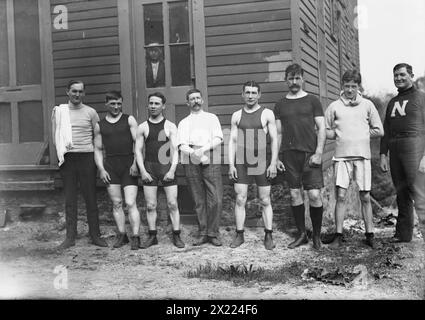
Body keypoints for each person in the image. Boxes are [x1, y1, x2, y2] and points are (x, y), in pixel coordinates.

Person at [325, 70, 384, 249]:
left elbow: (379, 130)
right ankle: (338, 235)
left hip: (362, 157)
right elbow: (325, 130)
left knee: (365, 196)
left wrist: (361, 134)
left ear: (358, 87)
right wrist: (339, 134)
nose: (350, 90)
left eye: (353, 86)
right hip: (341, 157)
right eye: (347, 86)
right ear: (342, 85)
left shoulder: (367, 105)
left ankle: (370, 235)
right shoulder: (334, 106)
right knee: (340, 196)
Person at [274, 64, 326, 250]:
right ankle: (302, 234)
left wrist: (319, 152)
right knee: (295, 193)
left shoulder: (313, 101)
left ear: (303, 79)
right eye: (291, 78)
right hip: (289, 155)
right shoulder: (280, 104)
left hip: (310, 154)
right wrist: (277, 158)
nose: (294, 82)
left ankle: (317, 236)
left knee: (313, 194)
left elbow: (322, 128)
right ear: (286, 80)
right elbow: (278, 133)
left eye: (297, 78)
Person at [51, 80, 108, 249]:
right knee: (70, 198)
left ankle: (95, 235)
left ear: (84, 93)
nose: (77, 94)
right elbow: (55, 135)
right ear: (67, 92)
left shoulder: (91, 112)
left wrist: (99, 160)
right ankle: (70, 237)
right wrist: (61, 154)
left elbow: (97, 137)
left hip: (87, 157)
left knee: (90, 197)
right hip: (68, 158)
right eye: (74, 91)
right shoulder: (59, 111)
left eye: (80, 91)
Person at [228, 81, 278, 250]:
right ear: (242, 94)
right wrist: (231, 165)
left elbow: (274, 140)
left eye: (253, 93)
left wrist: (273, 163)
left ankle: (268, 234)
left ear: (259, 95)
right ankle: (239, 234)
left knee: (265, 199)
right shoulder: (236, 115)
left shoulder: (267, 114)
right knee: (240, 198)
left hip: (261, 159)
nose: (250, 96)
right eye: (247, 92)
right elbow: (232, 142)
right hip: (242, 159)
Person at [380, 63, 425, 243]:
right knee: (402, 192)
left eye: (402, 75)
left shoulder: (421, 98)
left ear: (411, 75)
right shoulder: (392, 102)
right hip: (396, 148)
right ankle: (404, 234)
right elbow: (386, 130)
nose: (398, 78)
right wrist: (383, 154)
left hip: (414, 146)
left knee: (420, 192)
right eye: (395, 75)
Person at [135, 92, 185, 248]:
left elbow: (176, 150)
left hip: (166, 168)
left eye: (157, 103)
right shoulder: (142, 127)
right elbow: (137, 151)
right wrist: (142, 171)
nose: (153, 106)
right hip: (150, 168)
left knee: (172, 204)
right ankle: (152, 236)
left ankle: (176, 235)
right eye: (151, 103)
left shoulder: (170, 126)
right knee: (150, 205)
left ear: (163, 106)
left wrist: (172, 170)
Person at [94, 91, 141, 250]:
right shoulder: (100, 125)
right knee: (116, 203)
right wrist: (101, 169)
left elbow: (138, 144)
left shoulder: (129, 119)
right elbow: (98, 149)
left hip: (128, 164)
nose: (116, 107)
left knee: (130, 202)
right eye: (113, 104)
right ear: (106, 104)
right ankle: (122, 235)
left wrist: (136, 163)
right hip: (111, 166)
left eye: (119, 103)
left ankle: (135, 236)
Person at [177, 88, 224, 246]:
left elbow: (218, 138)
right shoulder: (184, 122)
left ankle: (213, 232)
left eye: (198, 98)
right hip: (190, 156)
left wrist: (203, 151)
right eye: (192, 99)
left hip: (209, 153)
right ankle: (203, 232)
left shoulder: (211, 118)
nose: (195, 101)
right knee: (198, 198)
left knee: (215, 197)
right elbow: (181, 144)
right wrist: (196, 154)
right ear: (187, 103)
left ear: (202, 100)